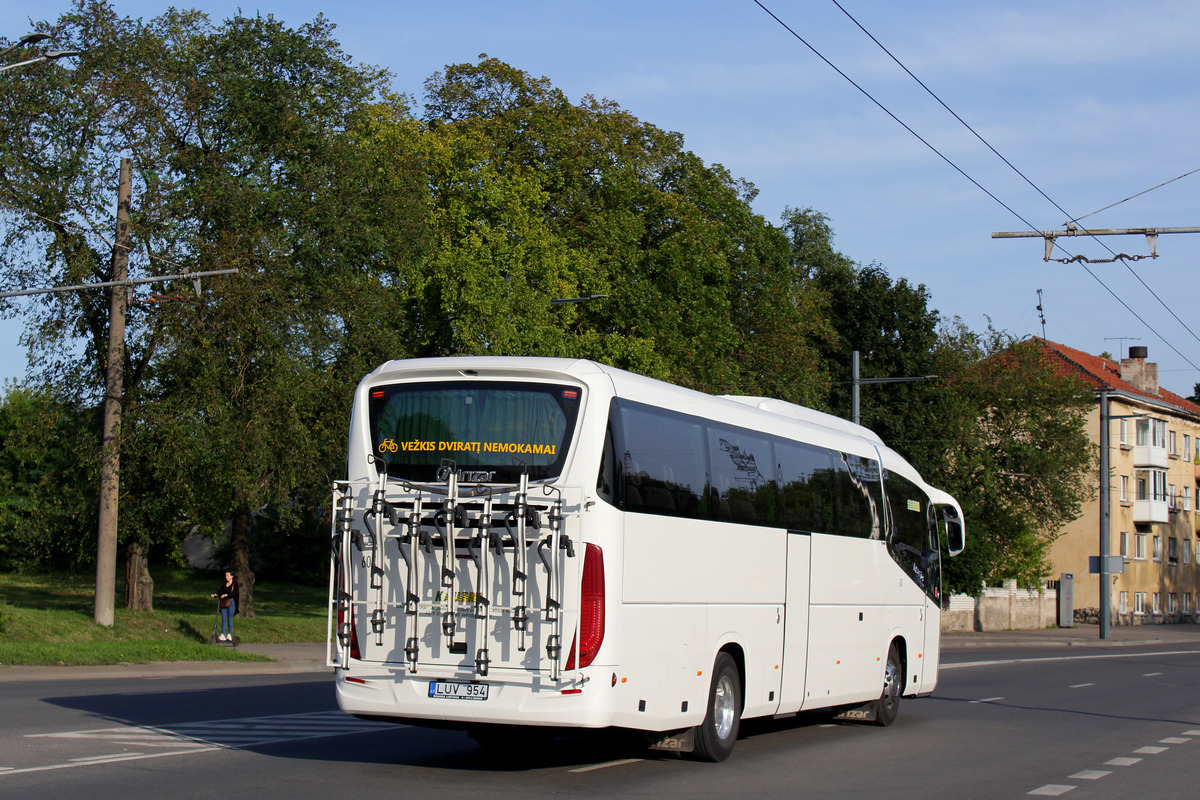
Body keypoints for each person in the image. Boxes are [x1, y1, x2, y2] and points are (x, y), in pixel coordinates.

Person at [211, 571, 239, 642]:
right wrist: (216, 594)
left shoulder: (234, 584)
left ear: (232, 576)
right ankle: (222, 634)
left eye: (228, 576)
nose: (226, 577)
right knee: (224, 618)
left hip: (231, 602)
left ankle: (229, 634)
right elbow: (220, 591)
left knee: (230, 618)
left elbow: (235, 593)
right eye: (226, 576)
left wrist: (227, 595)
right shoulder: (225, 584)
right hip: (224, 603)